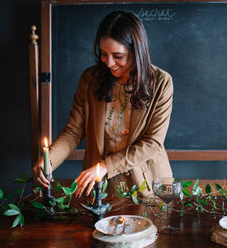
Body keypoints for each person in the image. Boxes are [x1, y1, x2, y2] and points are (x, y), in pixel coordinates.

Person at [32, 11, 173, 198]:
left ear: (136, 51)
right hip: (102, 188)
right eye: (103, 54)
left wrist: (105, 166)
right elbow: (73, 132)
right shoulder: (90, 79)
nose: (109, 63)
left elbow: (152, 143)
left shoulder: (161, 82)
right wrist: (50, 161)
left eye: (118, 56)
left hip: (149, 186)